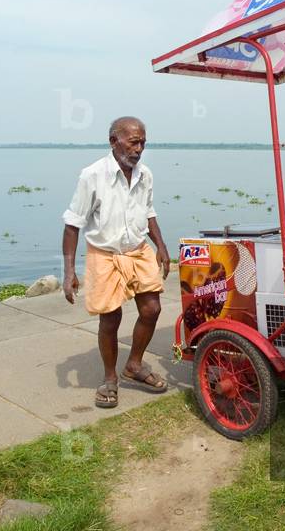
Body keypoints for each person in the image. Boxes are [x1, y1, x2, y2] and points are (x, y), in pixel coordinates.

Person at [61, 116, 171, 408]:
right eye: (134, 142)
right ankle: (110, 378)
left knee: (152, 308)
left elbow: (148, 212)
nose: (138, 149)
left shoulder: (144, 174)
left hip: (137, 249)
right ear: (114, 141)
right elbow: (73, 224)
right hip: (104, 253)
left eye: (143, 143)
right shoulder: (92, 175)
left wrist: (160, 244)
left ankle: (134, 364)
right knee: (110, 318)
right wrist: (69, 270)